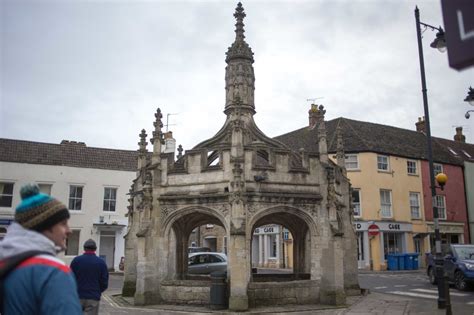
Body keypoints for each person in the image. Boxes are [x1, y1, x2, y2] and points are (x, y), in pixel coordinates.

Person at [0, 184, 82, 314]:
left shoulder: (6, 264)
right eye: (63, 224)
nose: (69, 230)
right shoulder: (54, 272)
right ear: (45, 225)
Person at [71, 239, 109, 315]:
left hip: (78, 296)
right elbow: (104, 282)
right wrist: (97, 290)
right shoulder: (101, 262)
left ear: (84, 248)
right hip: (93, 296)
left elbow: (70, 278)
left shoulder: (76, 261)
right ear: (95, 249)